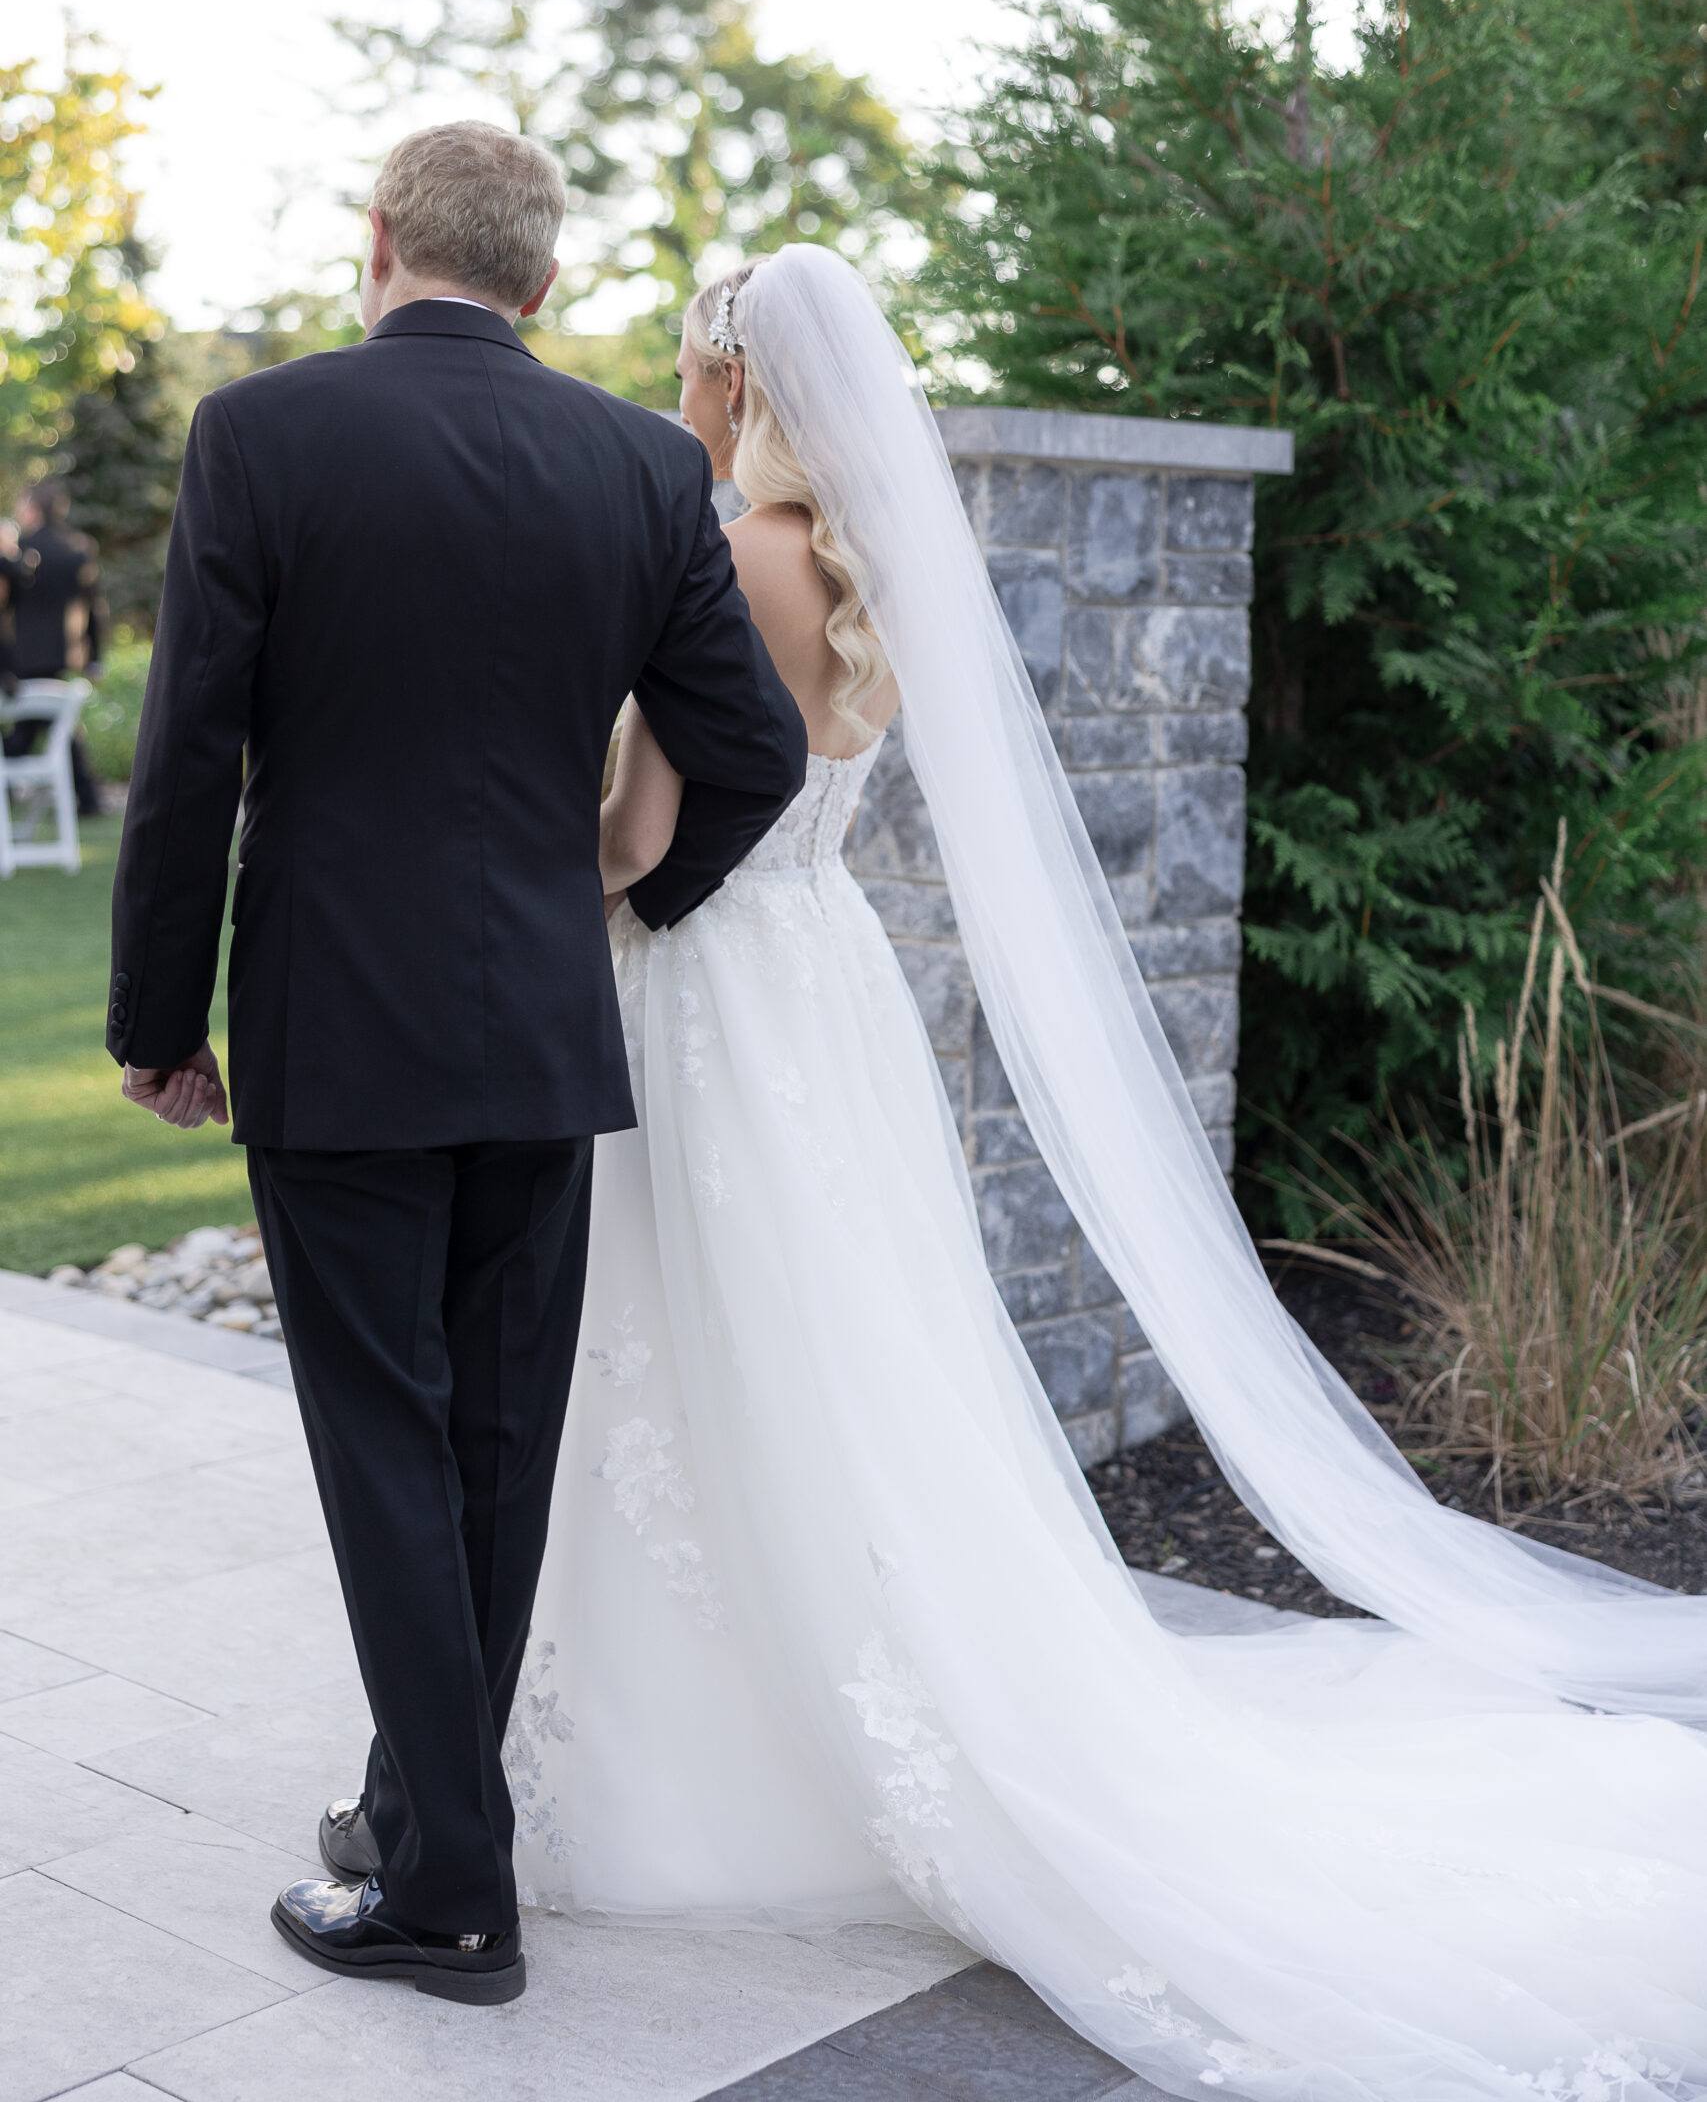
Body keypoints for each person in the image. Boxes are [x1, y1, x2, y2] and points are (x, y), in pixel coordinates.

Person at [486, 248, 1702, 2098]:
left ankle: (702, 1756)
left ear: (739, 382)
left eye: (693, 369)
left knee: (701, 1348)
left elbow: (647, 840)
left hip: (714, 993)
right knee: (828, 1375)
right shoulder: (864, 570)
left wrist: (496, 843)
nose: (683, 396)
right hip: (820, 991)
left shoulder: (731, 559)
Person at [106, 121, 806, 2006]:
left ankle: (447, 1895)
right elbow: (750, 753)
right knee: (492, 1451)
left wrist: (157, 1027)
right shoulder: (645, 461)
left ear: (377, 241)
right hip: (540, 1031)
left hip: (339, 1021)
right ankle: (425, 1817)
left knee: (384, 1447)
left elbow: (183, 762)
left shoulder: (261, 434)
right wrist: (633, 906)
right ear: (544, 283)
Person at [0, 483, 107, 813]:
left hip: (25, 657)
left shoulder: (22, 551)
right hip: (65, 653)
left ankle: (87, 798)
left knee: (33, 730)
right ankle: (87, 798)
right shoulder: (77, 547)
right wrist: (95, 656)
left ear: (33, 508)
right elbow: (94, 606)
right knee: (53, 728)